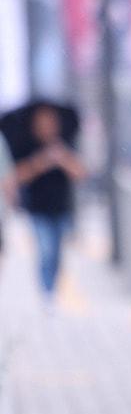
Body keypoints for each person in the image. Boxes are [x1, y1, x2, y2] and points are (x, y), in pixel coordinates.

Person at [11, 105, 85, 302]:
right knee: (45, 249)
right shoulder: (27, 146)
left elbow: (81, 173)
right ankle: (47, 292)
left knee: (58, 253)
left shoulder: (64, 145)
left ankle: (52, 288)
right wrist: (40, 162)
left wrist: (62, 159)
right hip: (37, 209)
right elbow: (16, 176)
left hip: (61, 208)